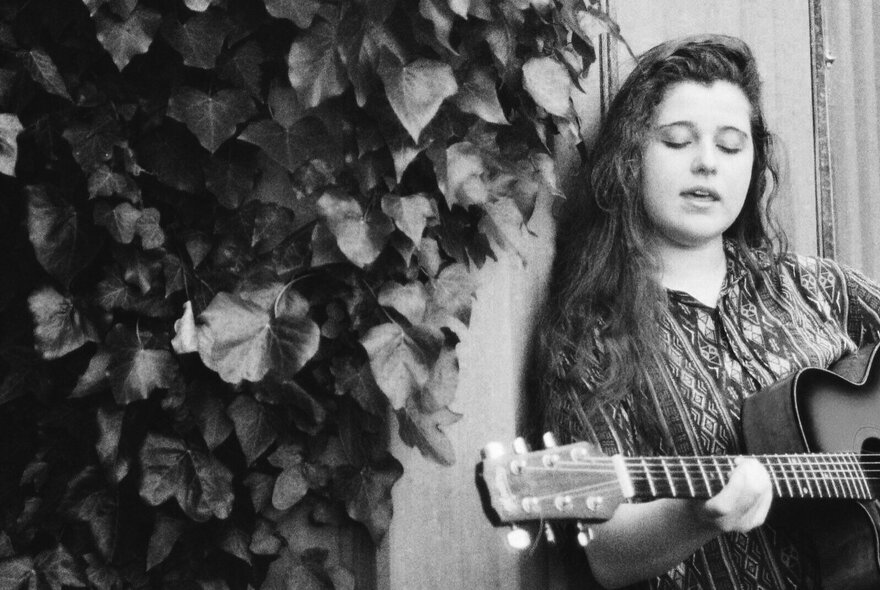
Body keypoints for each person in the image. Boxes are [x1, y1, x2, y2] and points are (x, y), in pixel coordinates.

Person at [530, 34, 880, 589]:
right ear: (630, 158)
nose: (706, 164)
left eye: (731, 145)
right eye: (677, 141)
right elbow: (604, 551)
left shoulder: (817, 287)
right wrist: (696, 515)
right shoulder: (591, 334)